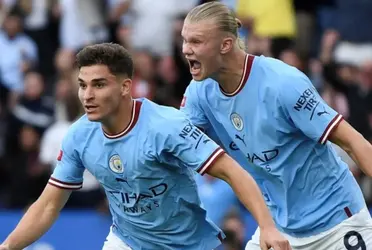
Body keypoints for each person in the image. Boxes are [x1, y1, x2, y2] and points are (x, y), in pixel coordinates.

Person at [0, 43, 289, 250]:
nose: (87, 95)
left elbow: (231, 171)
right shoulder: (79, 135)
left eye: (99, 84)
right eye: (82, 84)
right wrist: (8, 246)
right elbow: (49, 204)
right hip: (126, 241)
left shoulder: (166, 126)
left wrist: (267, 226)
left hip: (188, 243)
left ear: (125, 87)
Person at [180, 2, 372, 250]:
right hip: (278, 228)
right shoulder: (199, 92)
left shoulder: (282, 83)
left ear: (225, 45)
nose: (185, 49)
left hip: (336, 224)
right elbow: (176, 146)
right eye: (184, 40)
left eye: (195, 41)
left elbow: (352, 141)